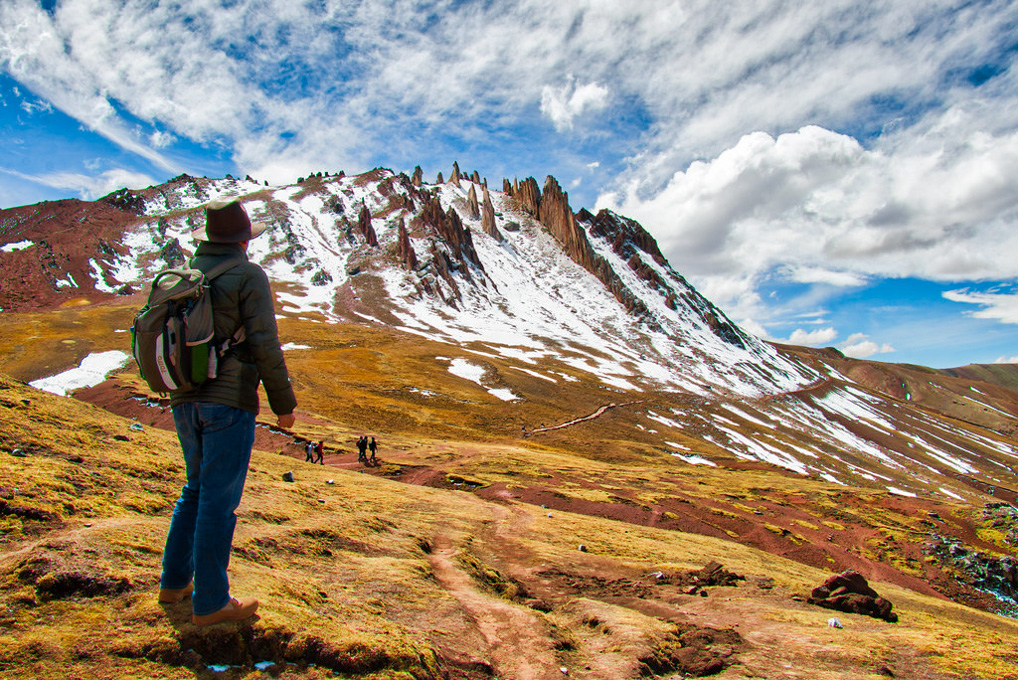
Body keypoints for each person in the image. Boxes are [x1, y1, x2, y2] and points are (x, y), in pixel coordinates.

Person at [157, 198, 297, 627]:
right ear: (243, 238)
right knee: (219, 501)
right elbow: (263, 342)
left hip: (183, 399)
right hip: (227, 401)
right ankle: (211, 602)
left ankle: (174, 583)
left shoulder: (183, 276)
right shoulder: (247, 274)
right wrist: (283, 404)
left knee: (195, 490)